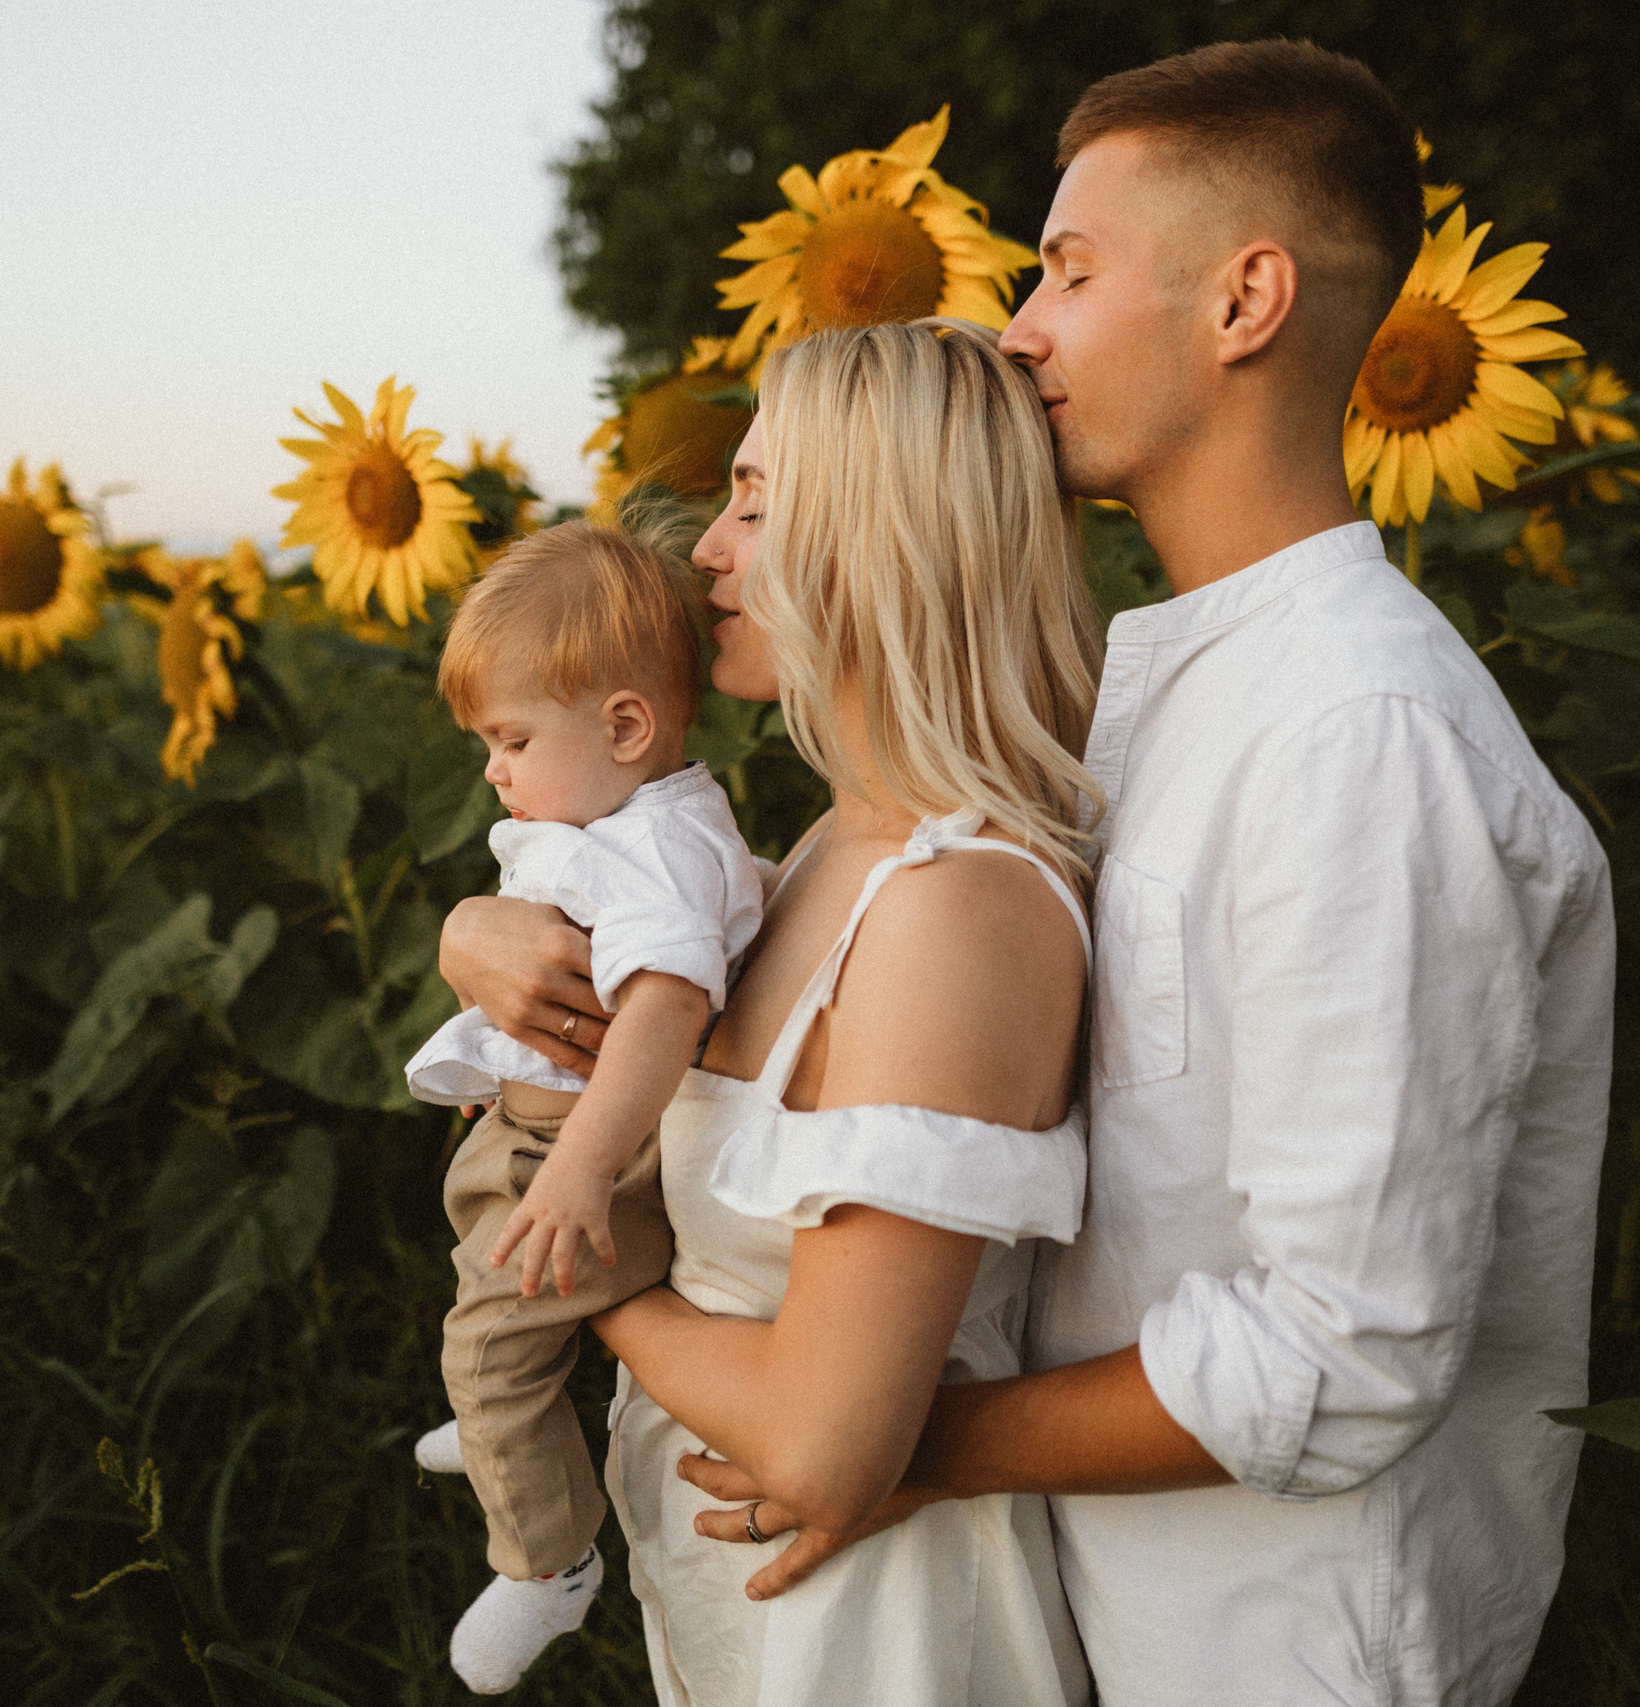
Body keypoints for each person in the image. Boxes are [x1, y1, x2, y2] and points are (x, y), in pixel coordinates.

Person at [665, 40, 1617, 1707]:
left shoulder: (1358, 734)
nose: (1024, 327)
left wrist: (894, 1436)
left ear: (1247, 301)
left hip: (1283, 1646)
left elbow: (1345, 1350)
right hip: (1109, 1615)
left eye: (1073, 270)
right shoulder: (1173, 689)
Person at [440, 318, 1103, 1706]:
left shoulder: (954, 906)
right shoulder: (818, 853)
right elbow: (630, 967)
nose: (707, 550)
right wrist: (478, 932)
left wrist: (568, 1290)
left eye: (755, 500)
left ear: (887, 532)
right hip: (753, 1606)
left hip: (883, 1639)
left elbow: (819, 1446)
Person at [404, 521, 765, 1694]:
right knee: (482, 1281)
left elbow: (663, 1013)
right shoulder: (619, 816)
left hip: (587, 1150)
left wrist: (577, 1165)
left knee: (489, 1337)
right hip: (541, 1128)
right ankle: (518, 1427)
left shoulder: (654, 852)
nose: (494, 770)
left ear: (623, 724)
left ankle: (545, 1558)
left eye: (510, 740)